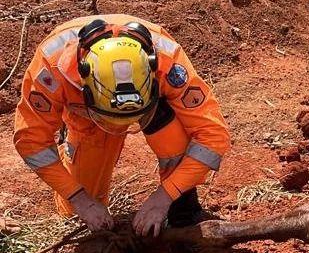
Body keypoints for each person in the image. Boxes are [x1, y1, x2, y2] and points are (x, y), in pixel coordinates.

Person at [13, 15, 230, 236]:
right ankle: (76, 185)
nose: (121, 129)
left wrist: (165, 195)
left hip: (154, 113)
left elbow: (212, 136)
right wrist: (79, 199)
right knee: (75, 215)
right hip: (88, 121)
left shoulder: (167, 61)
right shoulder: (51, 70)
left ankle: (183, 209)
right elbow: (32, 141)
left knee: (173, 129)